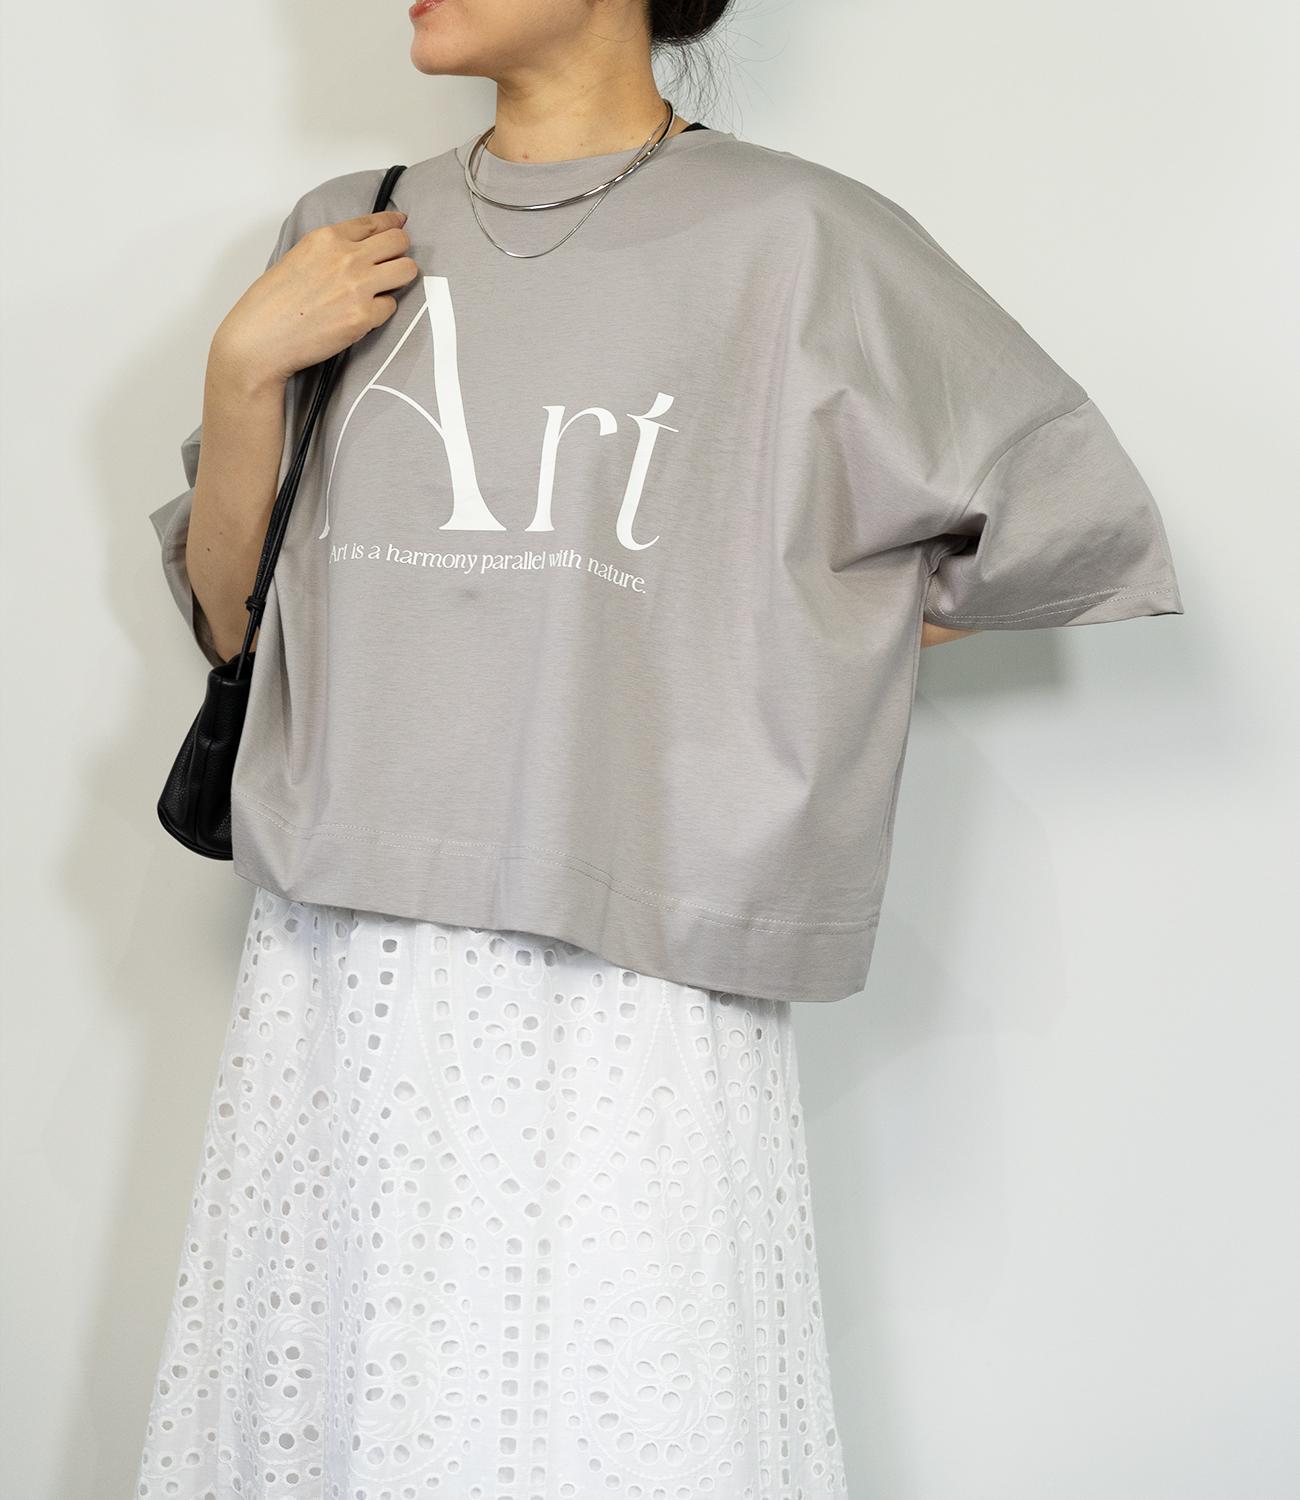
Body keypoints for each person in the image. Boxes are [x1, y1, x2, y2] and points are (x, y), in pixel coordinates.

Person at [134, 1, 1185, 1494]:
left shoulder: (793, 239)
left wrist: (759, 647)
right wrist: (242, 370)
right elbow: (241, 627)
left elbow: (1065, 523)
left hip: (630, 959)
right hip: (343, 951)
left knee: (605, 1407)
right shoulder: (347, 232)